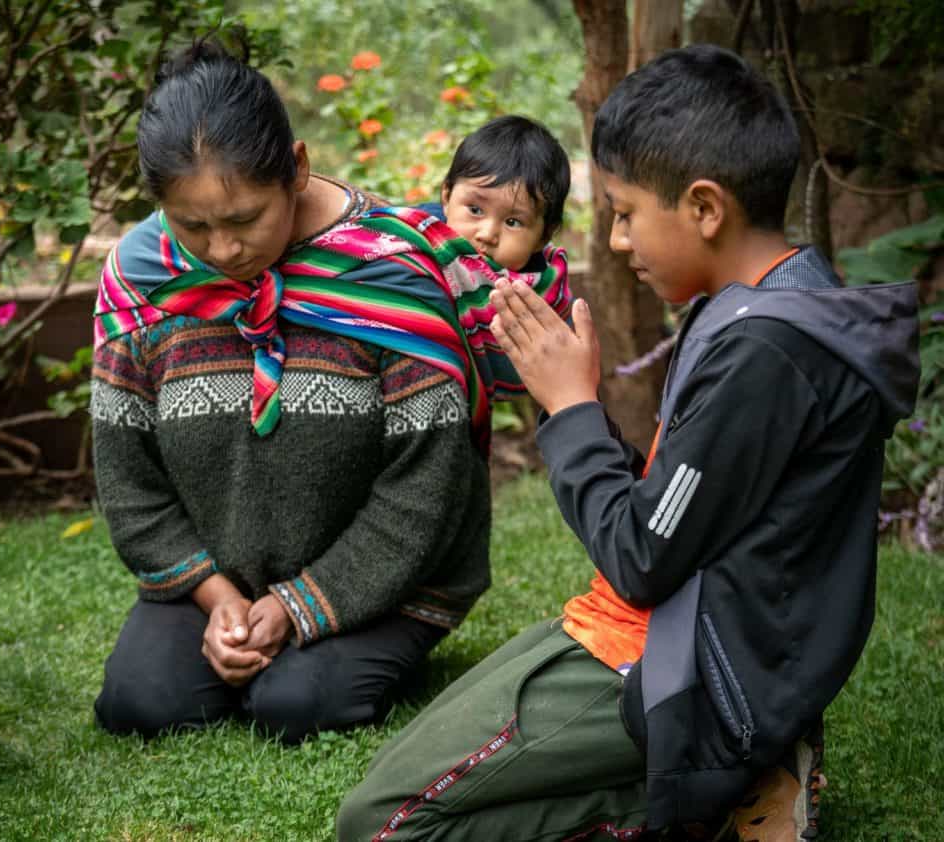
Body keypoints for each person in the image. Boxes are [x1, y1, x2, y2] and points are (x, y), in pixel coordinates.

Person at [336, 44, 920, 842]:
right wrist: (572, 402)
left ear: (706, 208)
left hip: (688, 668)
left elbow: (642, 555)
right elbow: (677, 510)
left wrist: (570, 406)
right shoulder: (769, 301)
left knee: (382, 823)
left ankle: (713, 798)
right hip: (673, 627)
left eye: (625, 211)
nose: (614, 240)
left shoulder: (767, 352)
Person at [91, 40, 571, 745]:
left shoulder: (390, 272)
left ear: (299, 168)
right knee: (142, 704)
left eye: (245, 218)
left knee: (295, 704)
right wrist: (218, 599)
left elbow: (427, 488)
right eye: (193, 226)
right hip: (219, 579)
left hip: (386, 581)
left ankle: (356, 636)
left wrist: (296, 607)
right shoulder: (143, 278)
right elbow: (127, 476)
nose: (223, 251)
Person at [434, 114, 570, 273]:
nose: (487, 234)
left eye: (512, 222)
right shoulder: (412, 259)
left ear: (543, 237)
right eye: (475, 210)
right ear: (447, 197)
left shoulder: (546, 288)